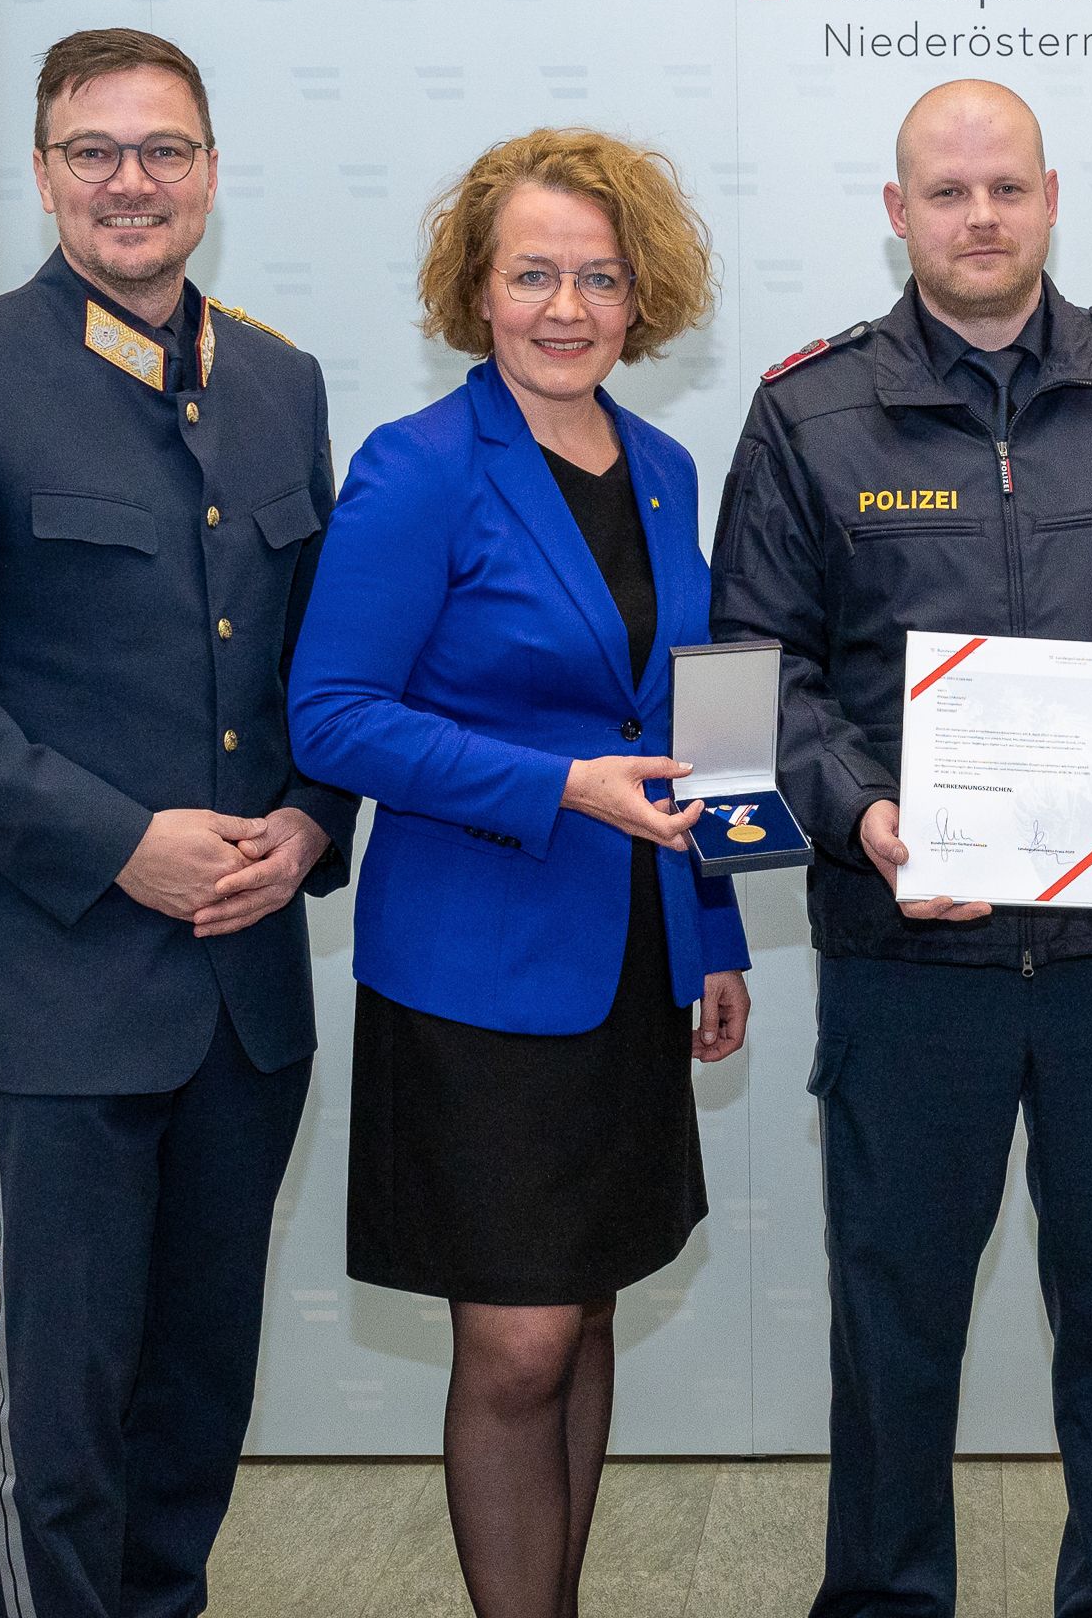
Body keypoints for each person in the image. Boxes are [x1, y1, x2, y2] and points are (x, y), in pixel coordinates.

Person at [713, 78, 1092, 1618]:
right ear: (896, 211)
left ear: (1051, 197)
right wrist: (860, 814)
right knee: (892, 1327)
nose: (979, 218)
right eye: (945, 192)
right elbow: (751, 666)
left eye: (1005, 189)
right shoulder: (808, 411)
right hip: (910, 956)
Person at [0, 27, 357, 1618]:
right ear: (44, 169)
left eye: (164, 151)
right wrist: (121, 838)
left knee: (195, 1416)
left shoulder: (280, 381)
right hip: (56, 1001)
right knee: (62, 1438)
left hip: (245, 1001)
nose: (131, 183)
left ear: (210, 168)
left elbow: (318, 672)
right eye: (94, 152)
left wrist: (315, 822)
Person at [284, 129, 752, 1618]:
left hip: (628, 957)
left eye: (598, 278)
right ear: (477, 293)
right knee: (519, 1343)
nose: (567, 307)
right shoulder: (419, 468)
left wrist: (716, 927)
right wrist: (556, 788)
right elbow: (334, 715)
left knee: (591, 1303)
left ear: (641, 298)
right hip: (474, 969)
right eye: (533, 274)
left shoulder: (669, 468)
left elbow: (692, 719)